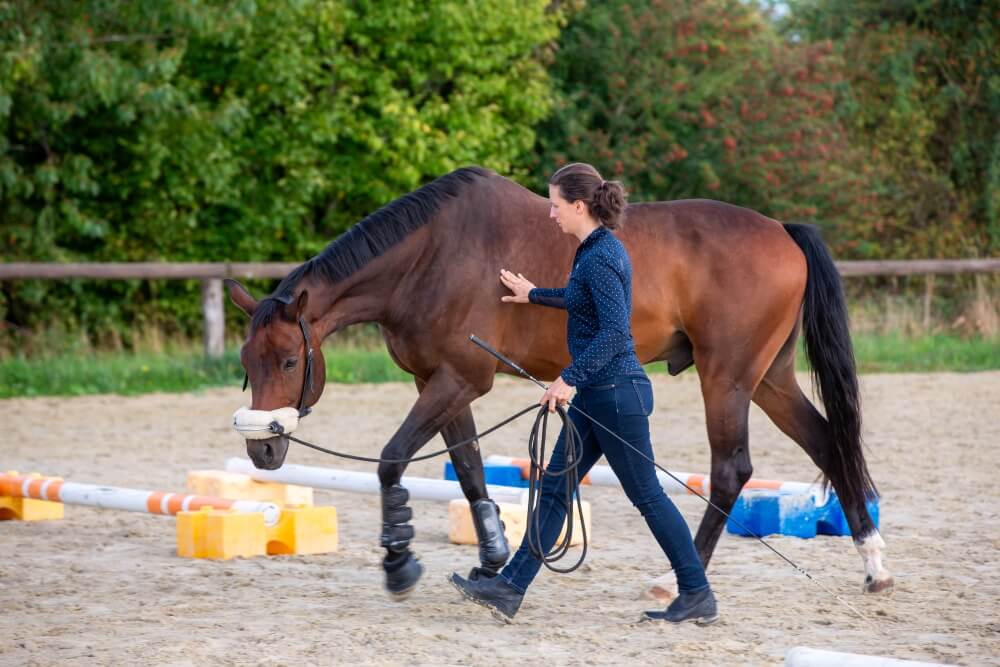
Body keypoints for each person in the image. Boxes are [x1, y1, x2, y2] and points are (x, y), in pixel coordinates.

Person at [449, 162, 718, 624]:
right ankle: (510, 588)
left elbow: (615, 331)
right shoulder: (592, 252)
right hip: (599, 394)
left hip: (613, 395)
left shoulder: (602, 254)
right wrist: (534, 295)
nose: (550, 214)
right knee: (554, 490)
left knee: (648, 496)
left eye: (555, 206)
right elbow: (584, 299)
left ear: (578, 206)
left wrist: (569, 378)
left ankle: (696, 592)